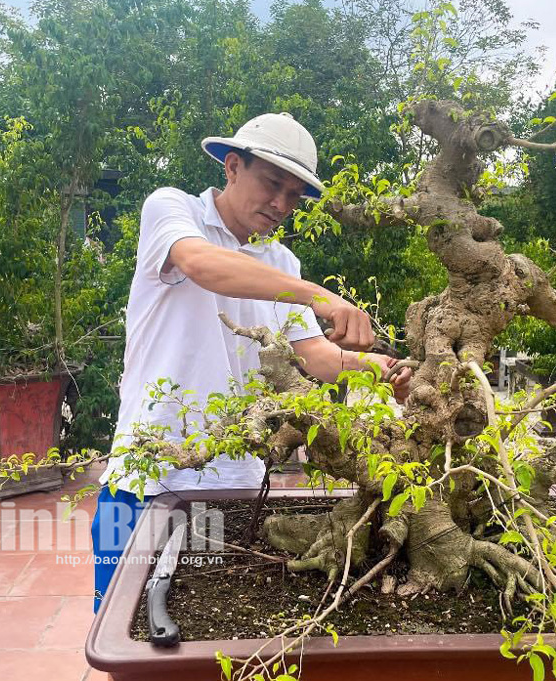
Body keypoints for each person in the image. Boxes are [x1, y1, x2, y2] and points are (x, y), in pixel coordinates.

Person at [90, 112, 410, 612]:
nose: (281, 203)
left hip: (234, 483)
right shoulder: (173, 211)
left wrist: (384, 370)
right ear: (232, 166)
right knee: (122, 626)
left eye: (295, 193)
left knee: (207, 628)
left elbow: (318, 358)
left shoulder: (280, 263)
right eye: (272, 183)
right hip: (148, 474)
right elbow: (201, 265)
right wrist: (320, 296)